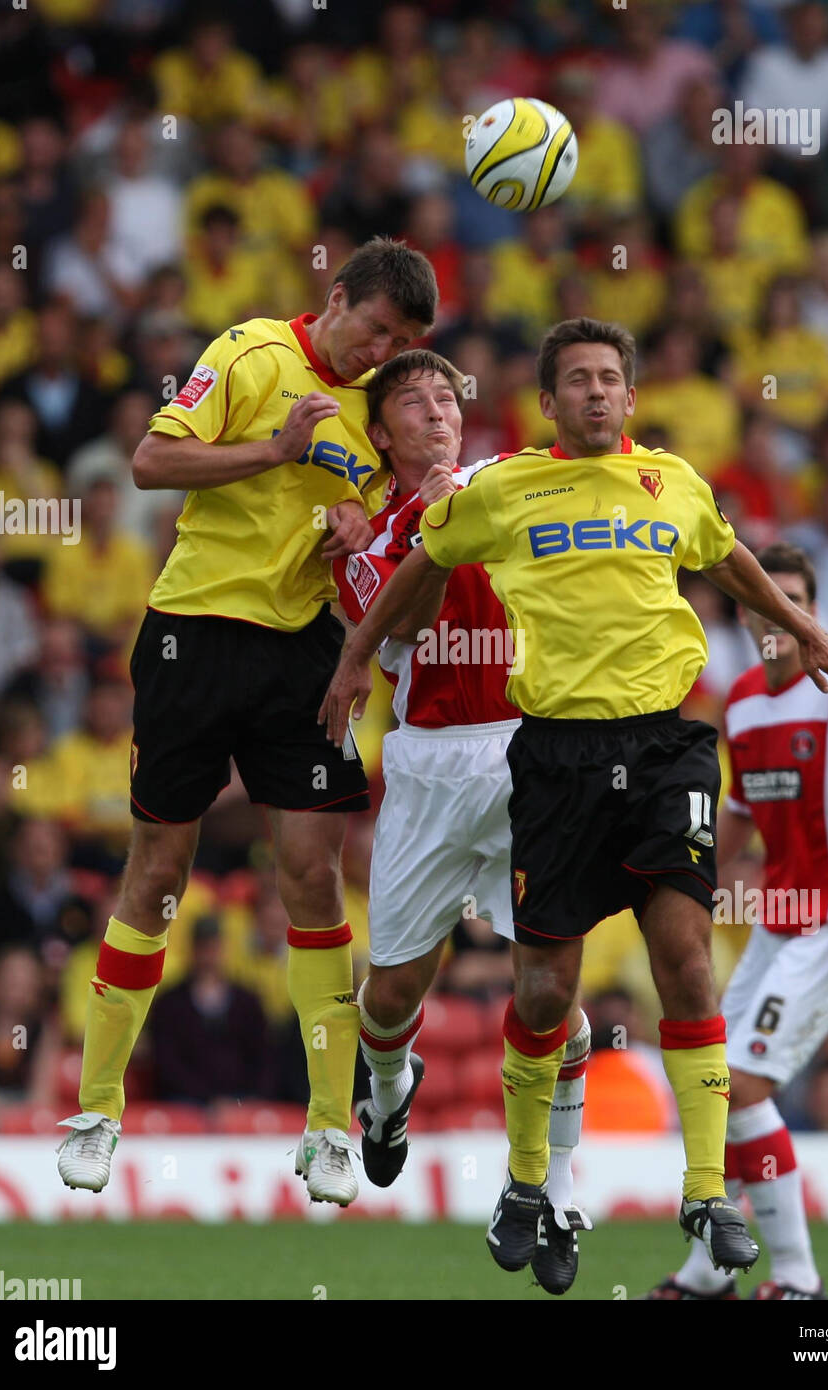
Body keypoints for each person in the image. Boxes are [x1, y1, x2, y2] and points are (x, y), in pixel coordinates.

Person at [320, 316, 828, 1282]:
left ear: (629, 392)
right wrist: (359, 647)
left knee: (680, 966)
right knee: (468, 990)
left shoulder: (667, 481)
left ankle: (650, 1194)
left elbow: (728, 554)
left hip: (647, 747)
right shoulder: (479, 498)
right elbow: (402, 581)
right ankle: (401, 1092)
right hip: (509, 758)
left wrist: (801, 626)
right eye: (576, 380)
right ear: (548, 402)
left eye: (610, 378)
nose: (597, 392)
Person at [56, 237, 438, 1206]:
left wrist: (361, 525)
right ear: (336, 295)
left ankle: (324, 1129)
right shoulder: (251, 352)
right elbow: (149, 461)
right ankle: (98, 1106)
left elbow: (382, 542)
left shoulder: (378, 413)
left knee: (310, 875)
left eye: (402, 340)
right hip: (191, 632)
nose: (380, 350)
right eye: (376, 327)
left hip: (303, 652)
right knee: (158, 870)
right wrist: (274, 449)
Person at [330, 347, 592, 1295]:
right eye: (412, 401)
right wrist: (428, 522)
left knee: (552, 993)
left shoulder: (504, 481)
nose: (437, 410)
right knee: (393, 995)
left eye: (446, 395)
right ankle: (390, 1100)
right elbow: (401, 625)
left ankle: (556, 1194)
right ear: (382, 433)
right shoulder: (364, 548)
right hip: (431, 765)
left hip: (529, 749)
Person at [650, 543, 828, 1300]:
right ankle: (707, 1273)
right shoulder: (742, 698)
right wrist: (694, 882)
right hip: (778, 928)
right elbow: (740, 813)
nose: (782, 614)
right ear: (749, 613)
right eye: (767, 599)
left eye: (798, 600)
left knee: (740, 1085)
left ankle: (800, 1281)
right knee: (714, 1082)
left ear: (811, 613)